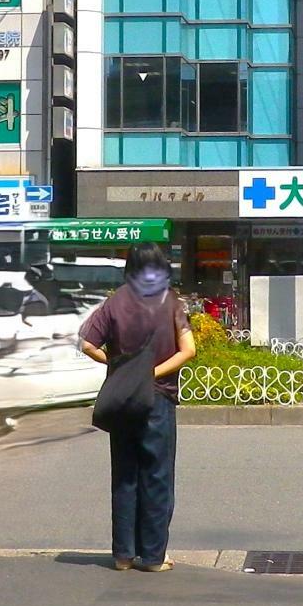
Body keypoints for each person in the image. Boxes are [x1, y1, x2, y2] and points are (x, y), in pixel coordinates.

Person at [77, 244, 196, 571]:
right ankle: (154, 557)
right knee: (156, 476)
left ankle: (123, 555)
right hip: (157, 396)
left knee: (125, 475)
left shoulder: (115, 302)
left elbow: (87, 343)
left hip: (123, 398)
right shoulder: (171, 303)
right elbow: (189, 350)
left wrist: (119, 367)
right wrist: (151, 373)